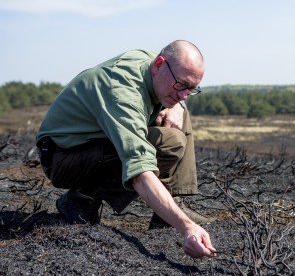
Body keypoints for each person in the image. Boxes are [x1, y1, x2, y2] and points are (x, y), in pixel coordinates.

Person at [36, 40, 216, 259]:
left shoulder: (153, 64)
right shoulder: (122, 94)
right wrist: (186, 227)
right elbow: (139, 171)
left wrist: (179, 105)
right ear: (159, 65)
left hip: (93, 141)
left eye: (191, 88)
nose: (184, 93)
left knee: (176, 112)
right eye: (181, 85)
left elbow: (176, 90)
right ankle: (82, 199)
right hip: (63, 157)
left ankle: (173, 202)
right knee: (169, 143)